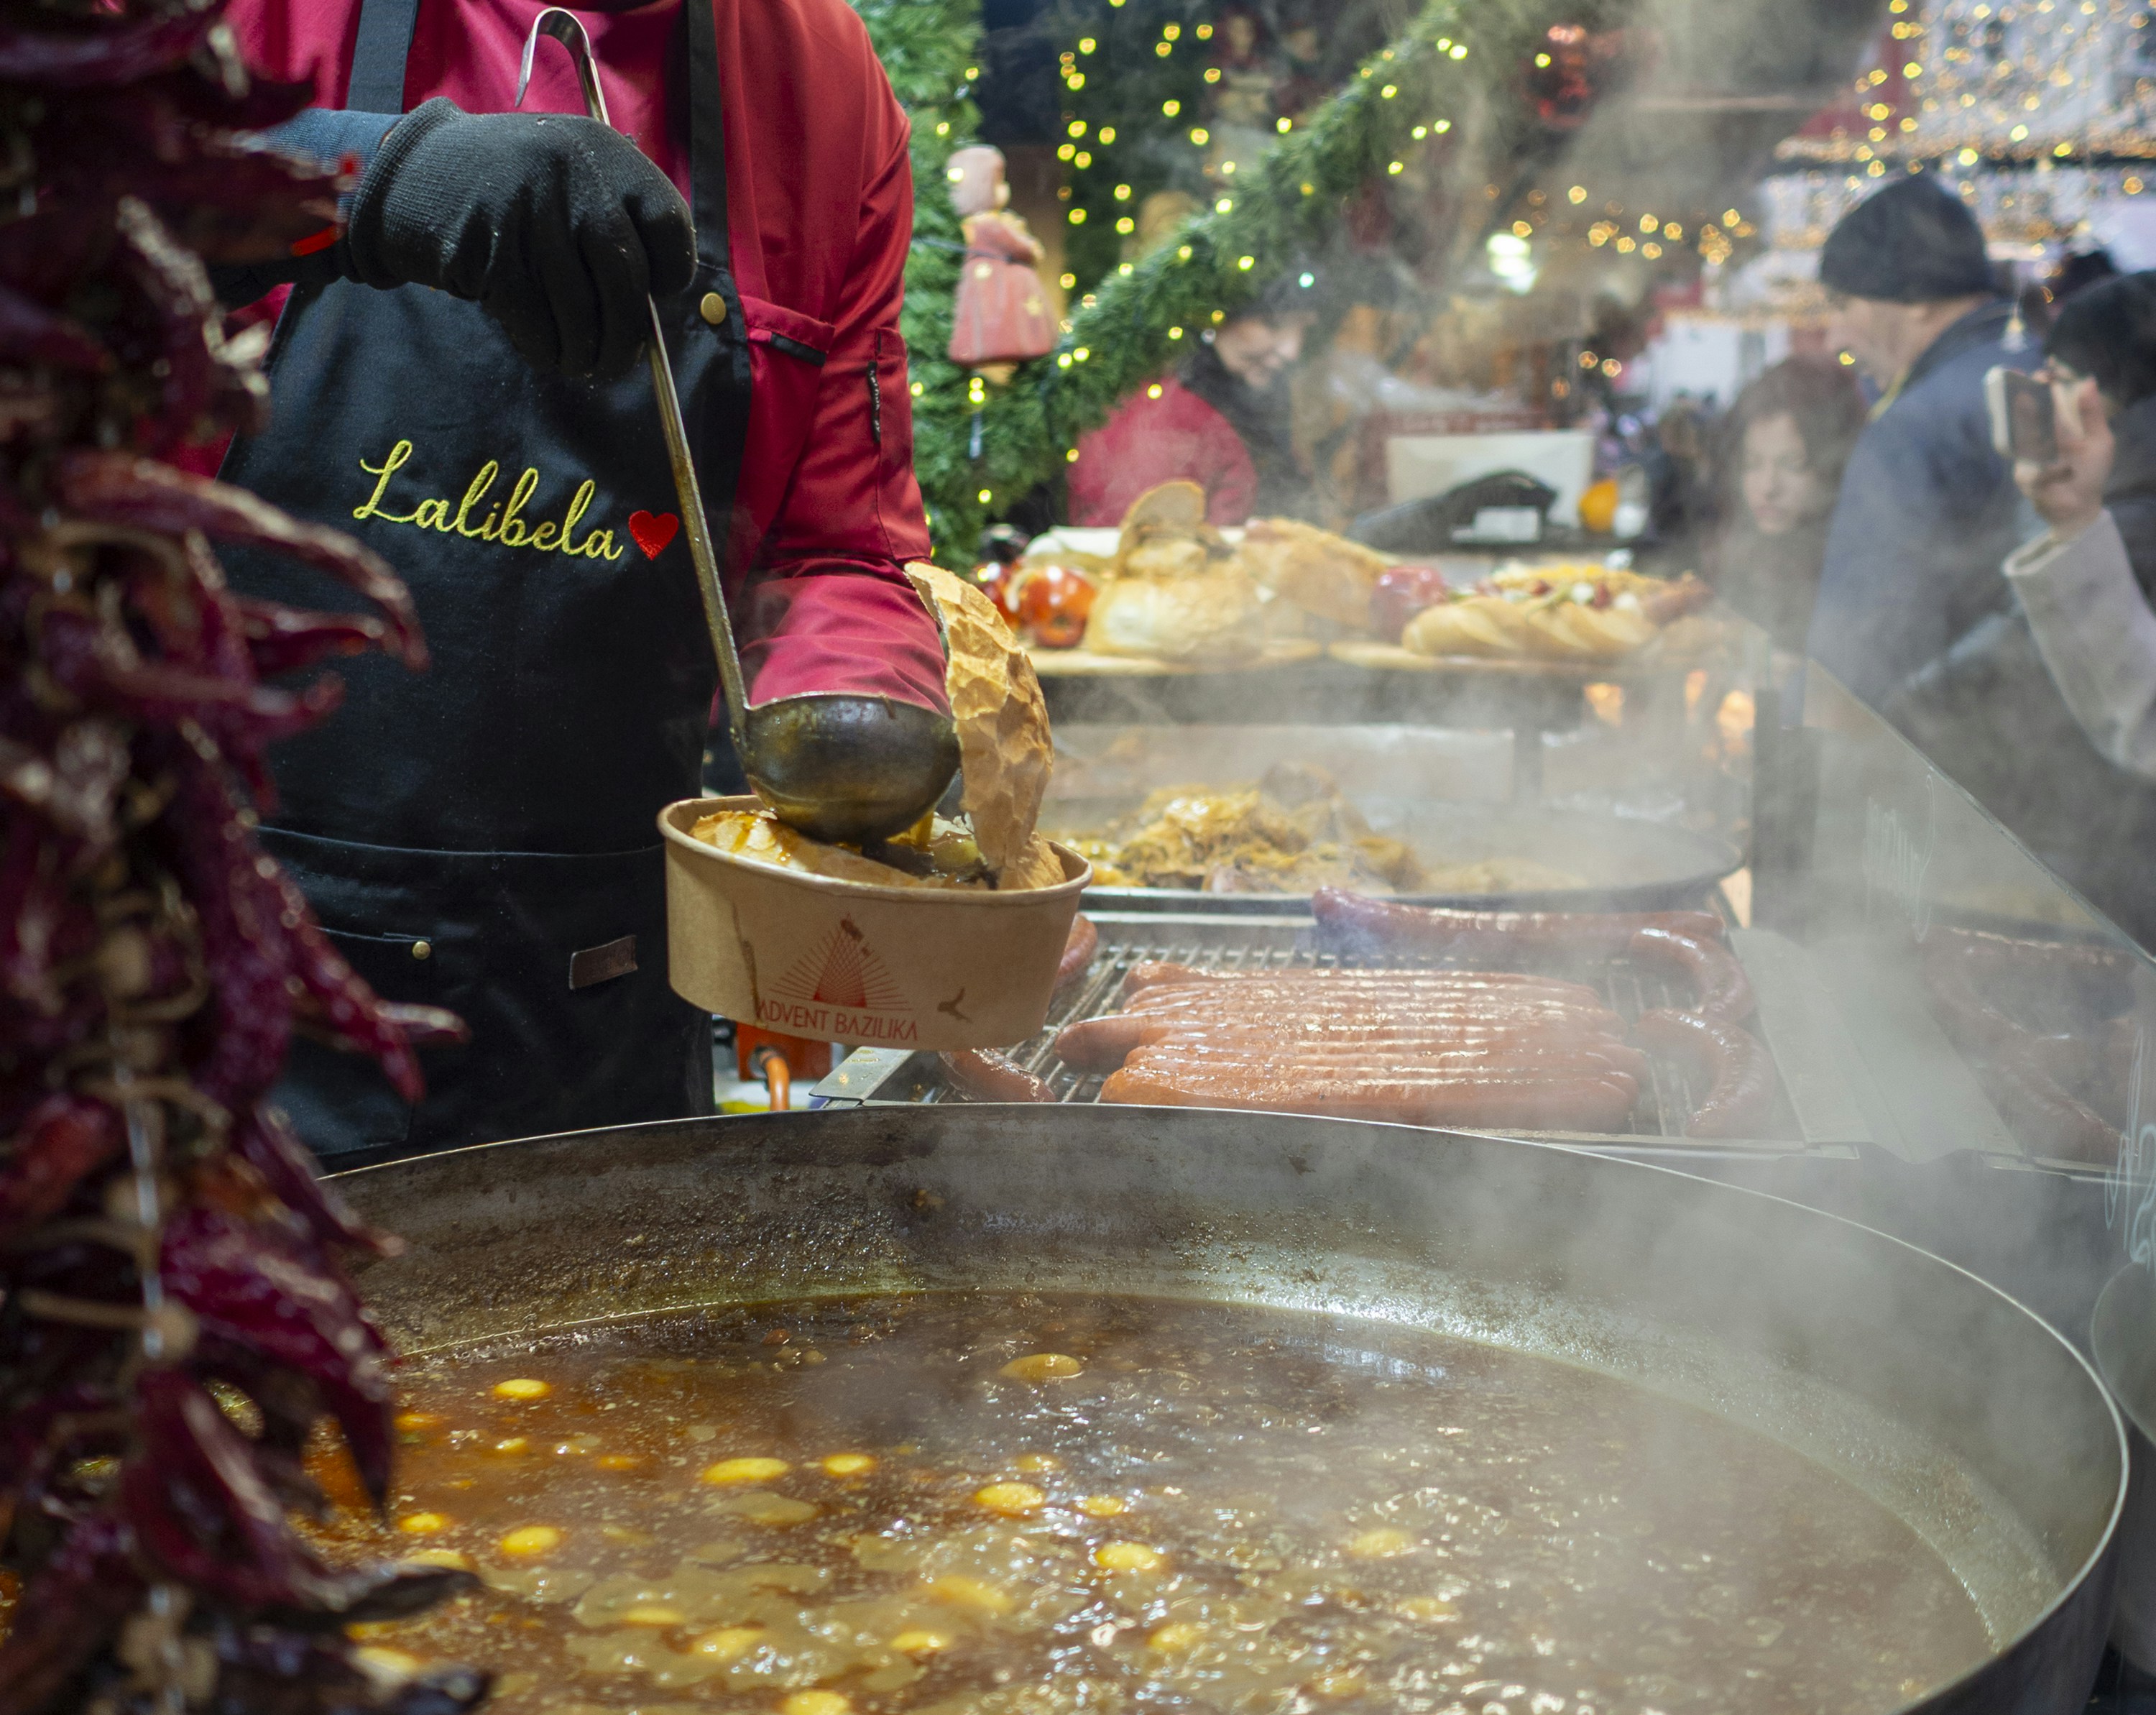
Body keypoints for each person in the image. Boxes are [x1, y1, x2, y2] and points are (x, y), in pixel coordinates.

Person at [212, 0, 954, 1160]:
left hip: (599, 1009)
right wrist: (368, 179)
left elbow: (836, 547)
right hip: (210, 981)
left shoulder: (824, 78)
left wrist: (859, 711)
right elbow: (53, 186)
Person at [1889, 273, 2156, 947]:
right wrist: (2073, 524)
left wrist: (1901, 722)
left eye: (2064, 379)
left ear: (2113, 392)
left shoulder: (2139, 515)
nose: (2049, 401)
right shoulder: (2117, 502)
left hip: (2108, 870)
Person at [1805, 175, 2028, 711]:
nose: (1834, 336)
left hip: (1946, 746)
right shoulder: (2042, 374)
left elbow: (1863, 642)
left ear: (1916, 300)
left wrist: (1801, 740)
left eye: (1843, 304)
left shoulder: (1915, 428)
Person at [1068, 272, 1319, 526]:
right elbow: (1137, 539)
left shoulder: (1262, 397)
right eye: (1271, 324)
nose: (1292, 351)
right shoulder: (1162, 406)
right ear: (1217, 316)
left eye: (1303, 330)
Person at [1706, 359, 1868, 650]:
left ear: (1833, 468)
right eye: (1752, 464)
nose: (1768, 487)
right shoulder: (1738, 548)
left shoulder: (1856, 569)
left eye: (1793, 466)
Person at [946, 144, 1056, 373]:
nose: (1005, 188)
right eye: (999, 183)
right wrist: (1033, 248)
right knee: (1005, 318)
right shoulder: (991, 224)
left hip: (979, 280)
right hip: (1000, 286)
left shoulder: (973, 224)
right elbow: (1018, 246)